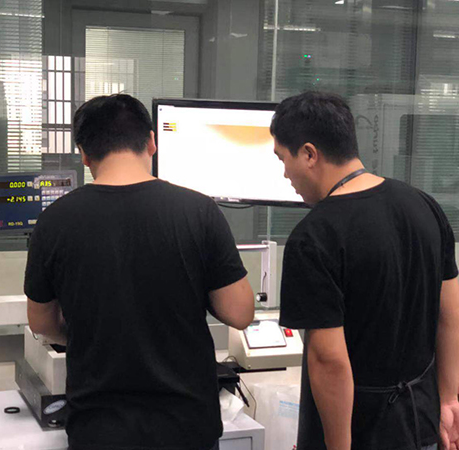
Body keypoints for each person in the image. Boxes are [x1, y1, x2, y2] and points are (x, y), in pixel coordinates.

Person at [24, 94, 254, 450]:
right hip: (186, 426)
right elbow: (239, 313)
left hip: (99, 428)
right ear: (151, 141)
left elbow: (41, 322)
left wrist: (87, 336)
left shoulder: (53, 221)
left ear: (84, 155)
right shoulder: (199, 211)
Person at [271, 91, 459, 450]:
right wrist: (449, 400)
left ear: (309, 154)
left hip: (360, 432)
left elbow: (329, 360)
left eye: (283, 158)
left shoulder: (314, 237)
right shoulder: (424, 205)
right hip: (420, 421)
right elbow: (450, 314)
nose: (284, 174)